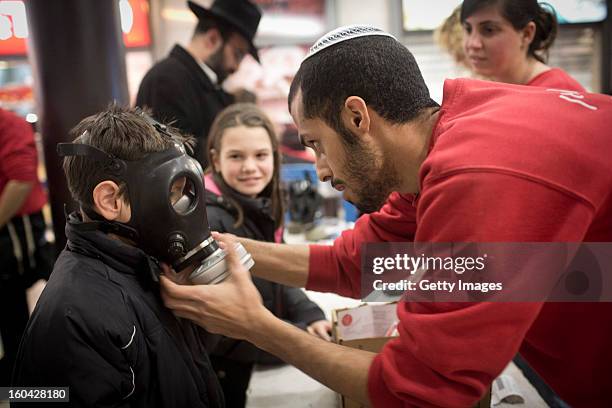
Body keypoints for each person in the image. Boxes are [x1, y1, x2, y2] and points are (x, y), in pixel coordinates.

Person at [159, 25, 612, 407]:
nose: (318, 169)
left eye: (316, 142)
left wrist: (256, 326)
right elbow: (360, 263)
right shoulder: (445, 143)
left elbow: (423, 389)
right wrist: (231, 248)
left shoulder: (477, 173)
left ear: (357, 117)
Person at [12, 105, 224, 407]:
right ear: (111, 201)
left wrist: (196, 308)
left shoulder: (148, 265)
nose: (183, 205)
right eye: (171, 194)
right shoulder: (73, 318)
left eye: (185, 193)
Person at [203, 103, 330, 407]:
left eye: (260, 156)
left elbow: (280, 271)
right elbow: (220, 328)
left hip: (258, 358)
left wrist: (308, 313)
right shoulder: (210, 222)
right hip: (229, 376)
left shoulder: (261, 204)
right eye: (236, 156)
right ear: (215, 160)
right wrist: (294, 339)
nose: (250, 167)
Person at [136, 0, 262, 166]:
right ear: (212, 39)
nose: (236, 67)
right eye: (237, 54)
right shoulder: (167, 79)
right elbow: (174, 153)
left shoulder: (201, 82)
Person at [0, 108, 53, 387]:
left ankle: (22, 384)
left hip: (14, 231)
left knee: (12, 308)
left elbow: (21, 179)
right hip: (14, 231)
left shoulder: (8, 124)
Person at [461, 0, 585, 90]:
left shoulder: (561, 92)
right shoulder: (484, 87)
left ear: (526, 34)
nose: (473, 43)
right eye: (468, 29)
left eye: (489, 30)